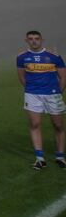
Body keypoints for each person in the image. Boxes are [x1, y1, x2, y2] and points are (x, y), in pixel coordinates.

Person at [16, 30, 65, 169]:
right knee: (35, 124)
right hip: (32, 95)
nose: (34, 41)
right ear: (27, 40)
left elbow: (63, 77)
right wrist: (32, 89)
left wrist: (58, 93)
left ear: (42, 40)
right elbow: (21, 77)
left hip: (53, 94)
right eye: (31, 39)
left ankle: (60, 156)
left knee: (58, 126)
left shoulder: (54, 56)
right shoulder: (21, 57)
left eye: (37, 38)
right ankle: (39, 158)